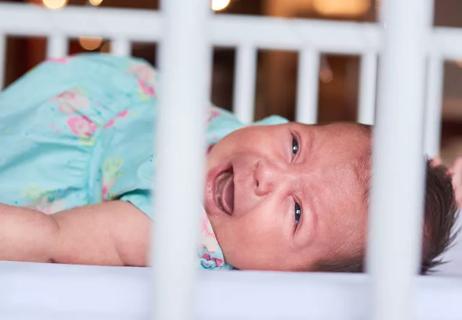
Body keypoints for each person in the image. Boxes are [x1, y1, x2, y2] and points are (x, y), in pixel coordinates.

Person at [0, 54, 459, 273]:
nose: (267, 173)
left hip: (45, 154)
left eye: (297, 212)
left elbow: (51, 238)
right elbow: (361, 177)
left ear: (291, 279)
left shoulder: (173, 234)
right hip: (111, 100)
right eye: (296, 145)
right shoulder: (265, 149)